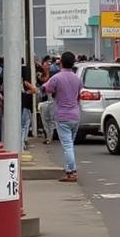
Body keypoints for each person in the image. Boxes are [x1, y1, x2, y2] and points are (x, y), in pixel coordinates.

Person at [44, 51, 82, 182]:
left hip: (62, 115)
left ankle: (71, 171)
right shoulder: (77, 79)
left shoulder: (57, 78)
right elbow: (78, 96)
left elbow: (47, 89)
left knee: (67, 145)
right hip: (75, 115)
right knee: (70, 144)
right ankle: (69, 169)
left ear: (61, 63)